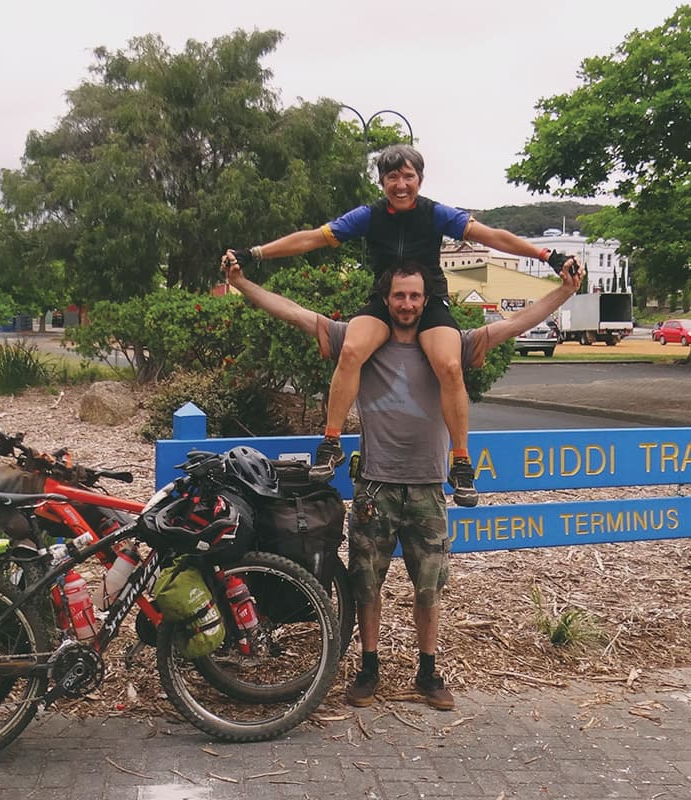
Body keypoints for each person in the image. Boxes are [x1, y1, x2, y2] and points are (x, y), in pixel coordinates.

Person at [220, 253, 583, 710]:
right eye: (399, 296)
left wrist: (565, 291)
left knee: (429, 589)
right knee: (365, 587)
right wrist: (241, 283)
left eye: (414, 296)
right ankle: (368, 667)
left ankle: (428, 671)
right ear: (386, 299)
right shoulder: (361, 342)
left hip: (428, 488)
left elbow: (513, 324)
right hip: (376, 487)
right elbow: (294, 312)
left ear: (426, 300)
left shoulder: (450, 346)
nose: (407, 304)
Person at [225, 144, 578, 507]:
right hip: (385, 297)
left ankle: (460, 462)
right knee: (351, 350)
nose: (401, 184)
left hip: (430, 298)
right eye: (392, 177)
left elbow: (492, 237)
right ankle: (331, 443)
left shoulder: (436, 214)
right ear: (382, 182)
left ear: (419, 180)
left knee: (450, 365)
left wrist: (547, 255)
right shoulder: (369, 216)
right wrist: (254, 254)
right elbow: (312, 238)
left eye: (408, 176)